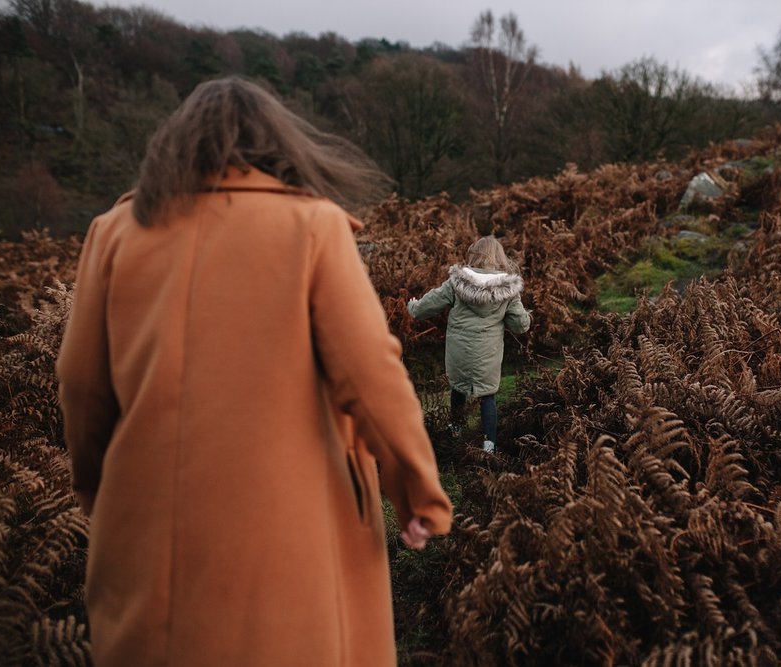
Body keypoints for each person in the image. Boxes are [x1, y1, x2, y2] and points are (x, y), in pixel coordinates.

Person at [56, 76, 452, 667]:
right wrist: (416, 489)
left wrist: (98, 491)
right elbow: (370, 372)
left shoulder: (113, 234)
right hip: (289, 545)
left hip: (142, 546)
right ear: (280, 147)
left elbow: (81, 387)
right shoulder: (312, 227)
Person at [407, 236, 531, 453]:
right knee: (488, 395)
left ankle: (455, 427)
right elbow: (520, 325)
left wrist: (413, 307)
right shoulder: (509, 289)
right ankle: (489, 444)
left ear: (474, 254)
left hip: (459, 350)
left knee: (457, 388)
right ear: (499, 257)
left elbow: (427, 306)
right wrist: (526, 317)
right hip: (488, 353)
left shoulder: (457, 282)